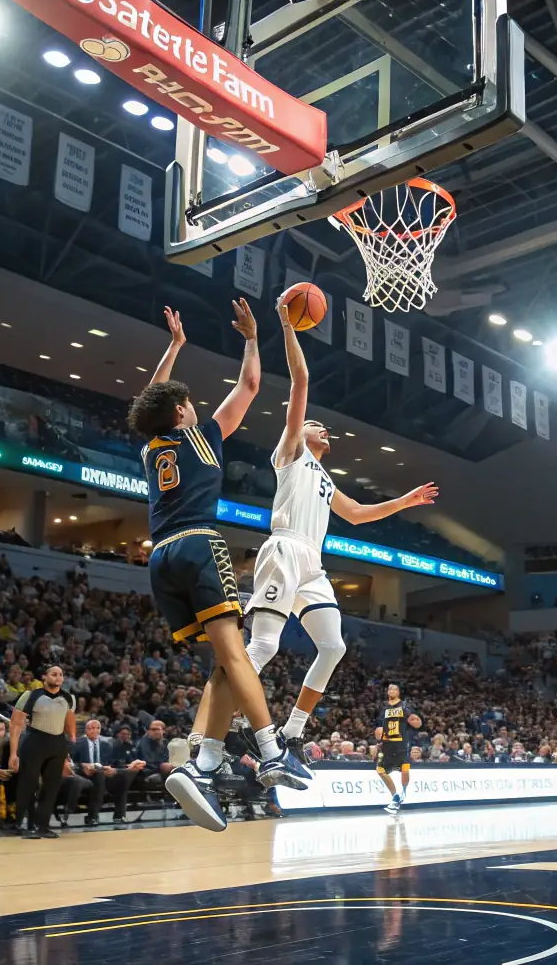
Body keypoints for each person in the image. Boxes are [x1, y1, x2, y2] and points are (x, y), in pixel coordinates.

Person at [229, 297, 437, 772]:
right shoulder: (290, 452)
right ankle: (230, 715)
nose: (323, 427)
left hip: (313, 565)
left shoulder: (325, 480)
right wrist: (286, 325)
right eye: (314, 423)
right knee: (264, 646)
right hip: (283, 549)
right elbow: (300, 381)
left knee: (334, 646)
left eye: (321, 426)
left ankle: (292, 732)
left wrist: (404, 502)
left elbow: (359, 514)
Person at [128, 302, 305, 834]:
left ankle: (203, 765)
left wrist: (176, 348)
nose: (193, 405)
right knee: (237, 651)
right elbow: (250, 385)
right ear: (182, 412)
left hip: (160, 556)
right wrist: (252, 338)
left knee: (223, 663)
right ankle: (272, 750)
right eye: (187, 402)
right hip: (200, 543)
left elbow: (149, 403)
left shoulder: (151, 448)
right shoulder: (200, 436)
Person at [9, 664, 76, 839]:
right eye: (54, 674)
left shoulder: (69, 698)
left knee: (52, 786)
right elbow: (16, 725)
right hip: (35, 741)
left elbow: (69, 724)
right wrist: (13, 753)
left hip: (58, 743)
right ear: (44, 677)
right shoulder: (30, 695)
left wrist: (69, 749)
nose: (58, 677)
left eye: (61, 674)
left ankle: (43, 826)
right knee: (28, 784)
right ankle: (23, 824)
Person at [72, 717, 136, 826]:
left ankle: (119, 816)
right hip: (85, 774)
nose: (94, 730)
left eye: (97, 728)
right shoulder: (77, 743)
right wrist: (83, 765)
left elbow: (111, 762)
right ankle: (92, 817)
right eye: (91, 728)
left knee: (123, 776)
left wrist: (111, 769)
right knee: (99, 775)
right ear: (86, 730)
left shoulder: (106, 745)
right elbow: (72, 763)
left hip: (103, 773)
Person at [374, 683, 422, 814]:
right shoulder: (383, 706)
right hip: (386, 744)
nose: (391, 690)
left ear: (399, 692)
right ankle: (395, 796)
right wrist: (379, 738)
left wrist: (416, 722)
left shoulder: (404, 706)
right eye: (389, 688)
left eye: (394, 689)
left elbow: (414, 721)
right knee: (380, 770)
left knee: (405, 771)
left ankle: (403, 792)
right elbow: (380, 725)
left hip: (400, 744)